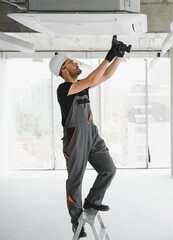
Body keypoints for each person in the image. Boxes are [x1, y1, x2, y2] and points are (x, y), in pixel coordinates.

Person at [49, 36, 127, 238]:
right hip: (75, 139)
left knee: (109, 169)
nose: (75, 63)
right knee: (75, 180)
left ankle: (93, 201)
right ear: (64, 71)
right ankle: (76, 223)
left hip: (92, 135)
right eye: (71, 63)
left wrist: (119, 55)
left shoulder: (82, 85)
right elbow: (93, 78)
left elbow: (105, 76)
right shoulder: (64, 89)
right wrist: (108, 55)